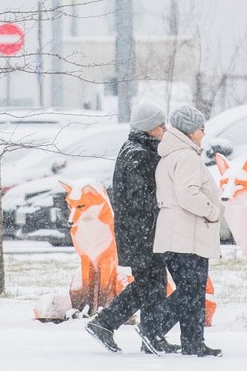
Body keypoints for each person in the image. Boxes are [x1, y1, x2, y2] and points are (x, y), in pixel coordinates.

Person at [85, 101, 180, 355]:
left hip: (140, 231)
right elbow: (142, 199)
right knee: (149, 283)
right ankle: (106, 323)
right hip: (142, 233)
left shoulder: (138, 149)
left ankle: (151, 337)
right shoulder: (138, 154)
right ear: (149, 128)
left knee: (153, 283)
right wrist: (166, 201)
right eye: (161, 125)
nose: (165, 129)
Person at [137, 104, 223, 357]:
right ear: (189, 130)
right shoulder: (185, 156)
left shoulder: (172, 154)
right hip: (186, 235)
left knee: (193, 292)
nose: (203, 133)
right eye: (200, 128)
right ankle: (151, 328)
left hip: (176, 233)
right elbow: (188, 194)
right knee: (190, 292)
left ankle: (193, 343)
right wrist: (212, 211)